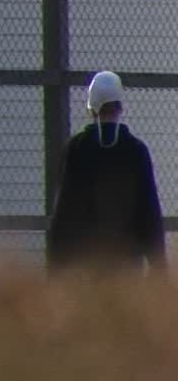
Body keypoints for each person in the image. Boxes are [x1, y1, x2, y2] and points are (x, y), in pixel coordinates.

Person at [48, 71, 166, 276]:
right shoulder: (136, 150)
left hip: (85, 264)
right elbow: (149, 211)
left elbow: (64, 212)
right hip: (126, 263)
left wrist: (55, 268)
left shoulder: (76, 149)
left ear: (92, 107)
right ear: (120, 107)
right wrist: (159, 267)